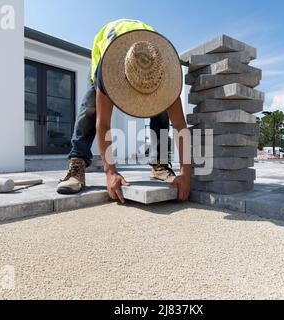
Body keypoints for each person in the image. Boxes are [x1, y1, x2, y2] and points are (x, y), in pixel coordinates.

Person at [57, 19, 191, 202]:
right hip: (108, 49)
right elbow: (103, 124)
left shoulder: (164, 72)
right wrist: (110, 172)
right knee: (90, 109)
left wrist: (185, 173)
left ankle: (159, 164)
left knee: (160, 112)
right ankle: (77, 164)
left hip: (146, 44)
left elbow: (180, 126)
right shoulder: (108, 70)